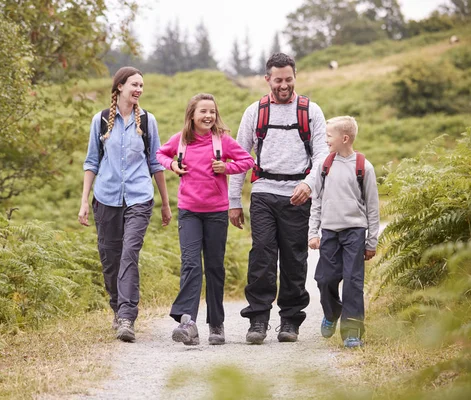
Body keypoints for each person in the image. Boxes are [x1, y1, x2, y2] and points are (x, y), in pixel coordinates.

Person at [228, 53, 329, 344]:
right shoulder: (254, 112)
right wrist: (234, 201)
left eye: (288, 79)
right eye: (278, 80)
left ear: (294, 77)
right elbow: (240, 156)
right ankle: (258, 320)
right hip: (263, 192)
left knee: (295, 257)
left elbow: (321, 155)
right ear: (267, 79)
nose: (283, 85)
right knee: (261, 254)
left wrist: (309, 185)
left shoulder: (311, 111)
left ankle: (290, 321)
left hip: (298, 195)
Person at [78, 66, 172, 343]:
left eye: (142, 85)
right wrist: (84, 201)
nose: (139, 90)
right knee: (110, 259)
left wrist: (165, 203)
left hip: (139, 197)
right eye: (134, 84)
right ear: (119, 86)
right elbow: (91, 162)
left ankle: (128, 317)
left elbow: (155, 163)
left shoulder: (148, 121)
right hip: (105, 197)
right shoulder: (100, 121)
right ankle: (117, 310)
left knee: (130, 252)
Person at [156, 93, 254, 346]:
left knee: (214, 267)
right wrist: (173, 166)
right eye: (203, 111)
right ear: (192, 115)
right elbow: (160, 154)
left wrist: (226, 168)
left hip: (216, 212)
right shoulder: (181, 141)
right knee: (190, 264)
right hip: (189, 211)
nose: (208, 115)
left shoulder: (222, 141)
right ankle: (188, 323)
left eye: (212, 111)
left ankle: (216, 324)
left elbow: (247, 160)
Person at [308, 116, 380, 348]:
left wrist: (371, 241)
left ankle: (352, 331)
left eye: (330, 136)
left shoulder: (363, 167)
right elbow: (316, 200)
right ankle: (332, 312)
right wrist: (313, 231)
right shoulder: (324, 165)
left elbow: (372, 207)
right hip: (329, 232)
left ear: (344, 138)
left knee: (353, 281)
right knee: (324, 279)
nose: (326, 139)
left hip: (355, 233)